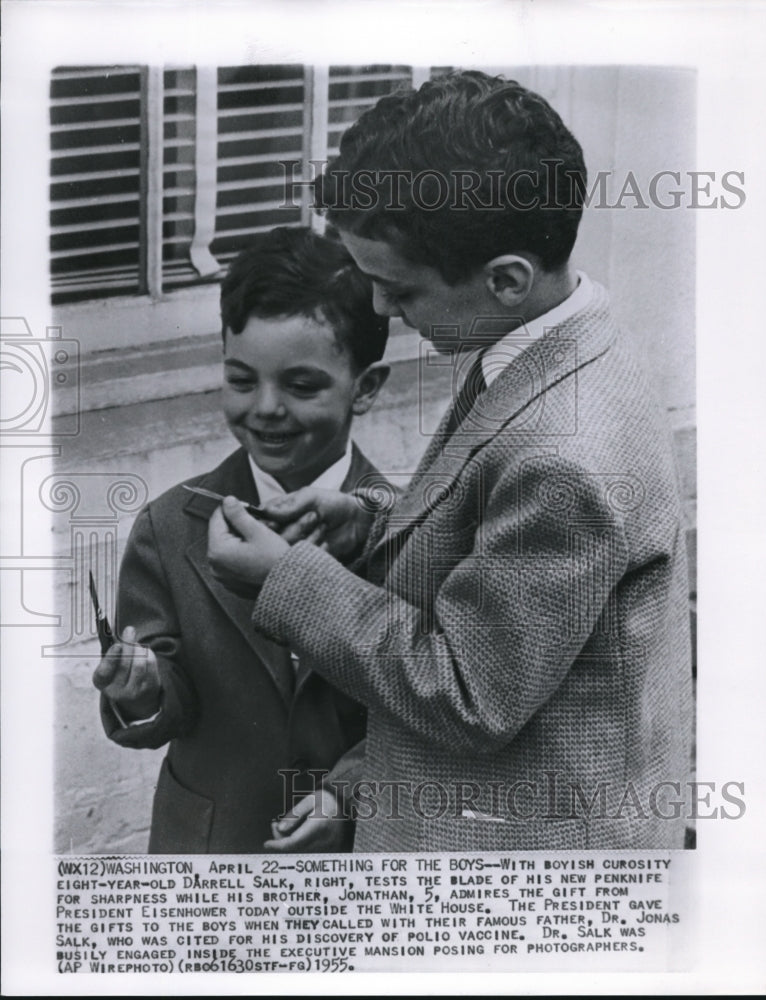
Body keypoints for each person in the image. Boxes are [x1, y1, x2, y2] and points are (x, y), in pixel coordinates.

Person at [207, 71, 694, 851]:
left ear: (505, 279)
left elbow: (468, 693)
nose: (378, 311)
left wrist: (288, 579)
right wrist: (367, 519)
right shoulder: (550, 339)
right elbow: (492, 530)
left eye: (397, 290)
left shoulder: (567, 457)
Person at [92, 225, 391, 853]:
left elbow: (418, 712)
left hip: (356, 858)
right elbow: (162, 704)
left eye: (302, 385)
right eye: (240, 379)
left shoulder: (404, 525)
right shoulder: (169, 526)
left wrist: (349, 791)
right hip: (210, 851)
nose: (265, 408)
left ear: (365, 388)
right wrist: (142, 692)